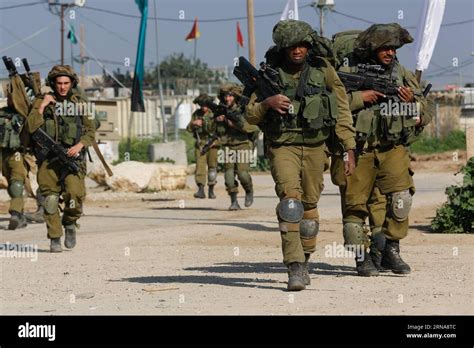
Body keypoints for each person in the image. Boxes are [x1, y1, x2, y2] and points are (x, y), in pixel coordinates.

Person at [245, 20, 356, 291]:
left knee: (308, 208)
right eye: (292, 45)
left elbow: (342, 110)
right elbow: (248, 115)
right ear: (284, 48)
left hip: (317, 146)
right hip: (283, 145)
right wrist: (267, 103)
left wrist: (349, 147)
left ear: (309, 46)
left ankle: (305, 258)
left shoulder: (324, 71)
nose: (297, 50)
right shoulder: (268, 75)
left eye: (302, 45)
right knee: (290, 204)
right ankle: (294, 266)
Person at [337, 23, 428, 275]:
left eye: (393, 48)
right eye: (384, 48)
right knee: (355, 206)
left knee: (401, 199)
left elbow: (426, 107)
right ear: (372, 49)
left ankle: (390, 250)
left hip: (393, 147)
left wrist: (413, 105)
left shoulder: (401, 73)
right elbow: (330, 103)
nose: (389, 53)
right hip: (360, 147)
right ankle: (361, 258)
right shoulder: (349, 71)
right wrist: (360, 98)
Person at [27, 65, 96, 252]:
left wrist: (80, 145)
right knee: (50, 199)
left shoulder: (80, 102)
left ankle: (70, 223)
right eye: (59, 83)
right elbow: (30, 128)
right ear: (53, 84)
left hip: (73, 158)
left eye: (66, 83)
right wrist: (42, 105)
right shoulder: (42, 102)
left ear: (72, 83)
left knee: (74, 196)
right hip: (48, 160)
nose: (63, 87)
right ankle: (55, 237)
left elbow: (91, 131)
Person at [216, 84, 259, 211]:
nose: (227, 99)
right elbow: (217, 131)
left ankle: (249, 190)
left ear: (235, 97)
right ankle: (234, 201)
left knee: (242, 174)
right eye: (225, 96)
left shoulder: (243, 110)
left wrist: (233, 124)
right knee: (228, 176)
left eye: (230, 96)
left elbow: (252, 128)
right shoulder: (221, 110)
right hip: (228, 146)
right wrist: (218, 122)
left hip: (243, 145)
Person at [0, 84, 28, 230]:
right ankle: (21, 215)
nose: (12, 99)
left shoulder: (25, 113)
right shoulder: (2, 113)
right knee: (11, 187)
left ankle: (15, 214)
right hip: (2, 153)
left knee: (17, 184)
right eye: (10, 96)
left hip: (18, 153)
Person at [186, 93, 218, 199]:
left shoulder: (214, 114)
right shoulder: (196, 114)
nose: (203, 107)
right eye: (201, 104)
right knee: (200, 166)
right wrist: (194, 124)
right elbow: (188, 128)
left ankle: (211, 190)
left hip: (212, 144)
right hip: (200, 144)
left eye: (205, 104)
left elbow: (218, 129)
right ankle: (201, 190)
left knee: (212, 167)